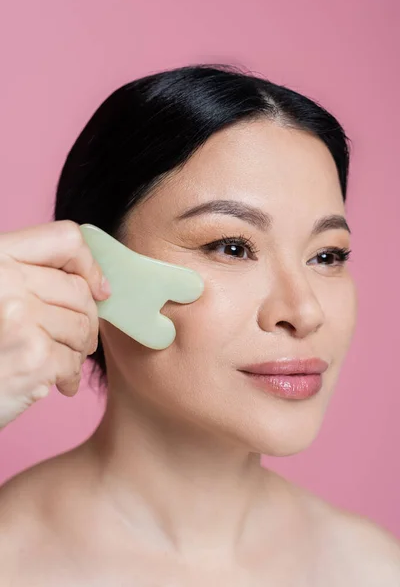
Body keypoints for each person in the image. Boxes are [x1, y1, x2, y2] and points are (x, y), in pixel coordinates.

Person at [0, 64, 399, 585]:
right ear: (95, 263)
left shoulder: (372, 568)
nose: (304, 312)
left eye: (327, 255)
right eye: (231, 247)